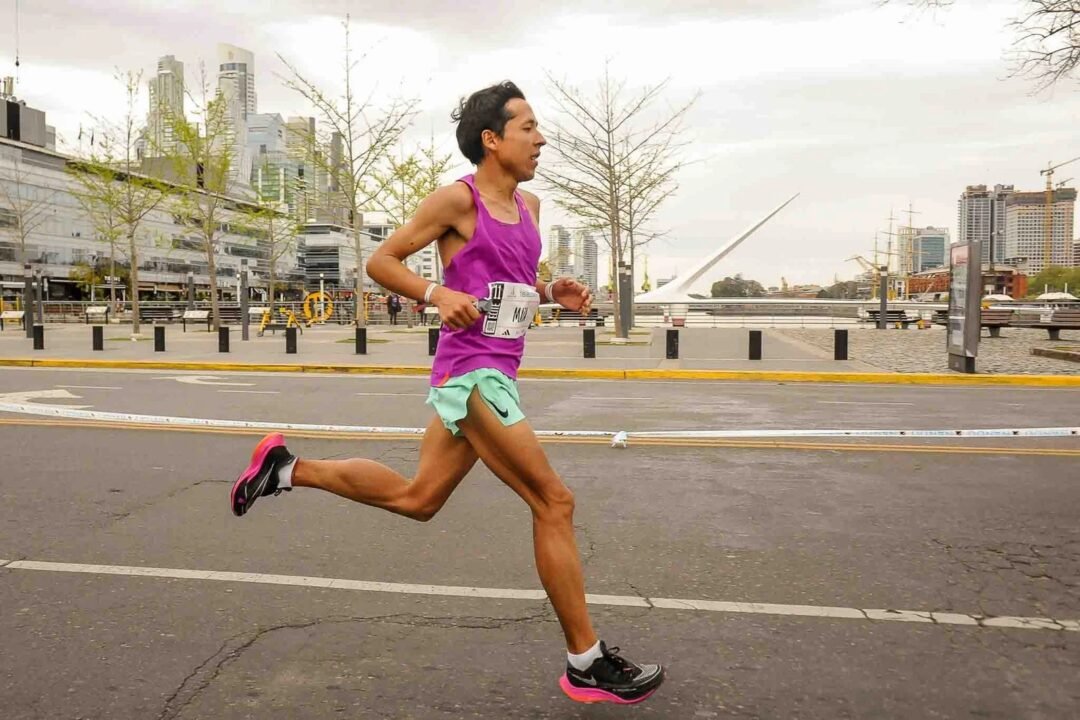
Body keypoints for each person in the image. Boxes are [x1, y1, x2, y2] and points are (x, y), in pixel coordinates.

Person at [229, 81, 664, 705]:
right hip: (471, 375)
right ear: (492, 140)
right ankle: (585, 661)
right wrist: (436, 295)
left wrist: (549, 294)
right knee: (554, 502)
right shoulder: (455, 202)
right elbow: (384, 260)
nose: (541, 139)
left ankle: (287, 469)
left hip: (500, 371)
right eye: (528, 128)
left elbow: (508, 284)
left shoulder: (532, 207)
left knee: (418, 497)